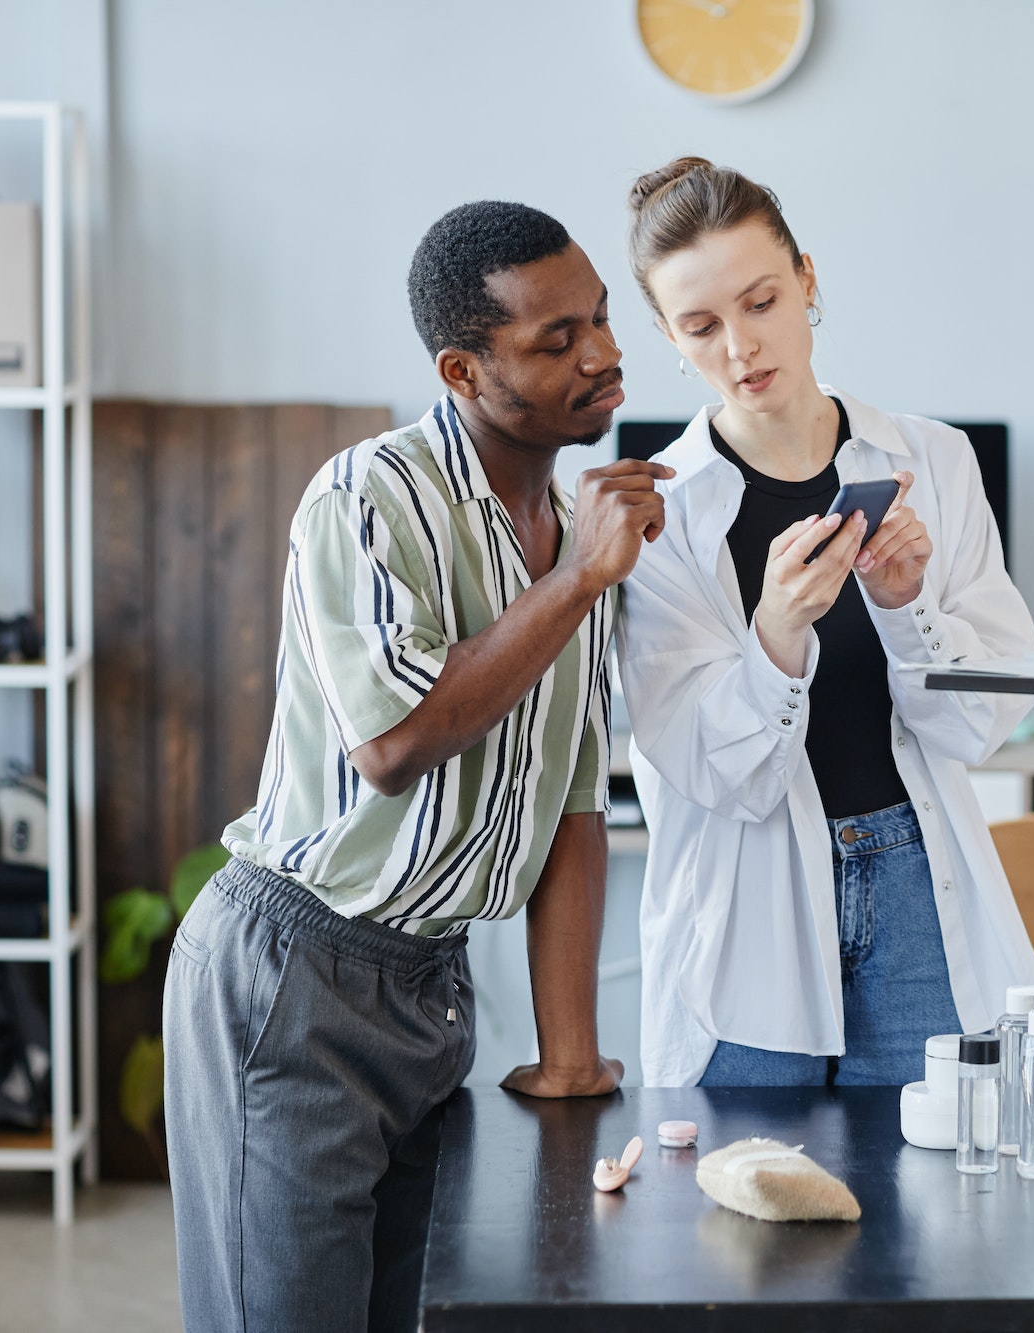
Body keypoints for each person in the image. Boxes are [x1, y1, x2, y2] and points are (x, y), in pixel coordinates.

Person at [163, 200, 670, 1332]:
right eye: (555, 340)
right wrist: (578, 583)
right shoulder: (365, 499)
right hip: (295, 975)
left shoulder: (575, 523)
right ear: (462, 367)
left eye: (598, 319)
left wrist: (571, 1057)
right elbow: (390, 745)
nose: (601, 354)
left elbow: (575, 799)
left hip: (432, 986)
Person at [616, 158, 1034, 1088]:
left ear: (808, 280)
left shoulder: (931, 458)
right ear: (668, 335)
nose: (741, 346)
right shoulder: (664, 516)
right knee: (746, 1222)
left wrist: (905, 606)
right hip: (747, 925)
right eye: (701, 325)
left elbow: (982, 722)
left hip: (915, 894)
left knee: (942, 1210)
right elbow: (708, 770)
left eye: (762, 300)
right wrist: (775, 633)